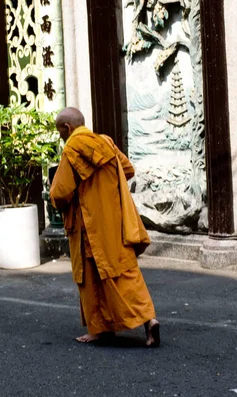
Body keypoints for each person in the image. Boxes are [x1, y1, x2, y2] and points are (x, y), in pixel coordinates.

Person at [50, 107, 160, 347]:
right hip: (115, 222)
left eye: (59, 131)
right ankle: (149, 320)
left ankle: (100, 329)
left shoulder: (72, 149)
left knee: (92, 277)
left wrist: (81, 194)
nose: (59, 136)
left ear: (67, 128)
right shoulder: (106, 142)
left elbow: (59, 193)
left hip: (88, 226)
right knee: (125, 272)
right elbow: (128, 169)